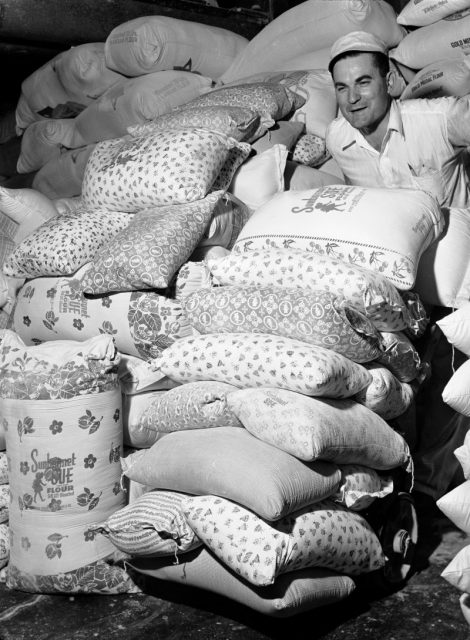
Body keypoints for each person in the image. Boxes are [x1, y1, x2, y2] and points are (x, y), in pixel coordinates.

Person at [325, 31, 470, 518]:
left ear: (389, 79)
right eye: (342, 87)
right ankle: (388, 479)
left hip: (455, 277)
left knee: (445, 379)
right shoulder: (338, 139)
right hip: (397, 281)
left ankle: (430, 491)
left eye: (364, 82)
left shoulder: (438, 121)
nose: (353, 98)